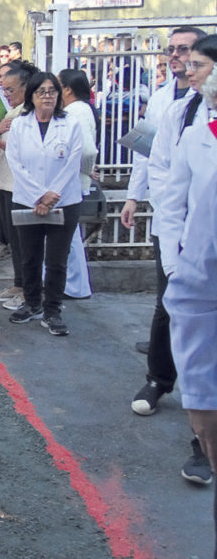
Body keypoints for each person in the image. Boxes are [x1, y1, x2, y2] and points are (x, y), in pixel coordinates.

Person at [120, 27, 204, 413]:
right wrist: (134, 196)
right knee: (167, 303)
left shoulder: (202, 106)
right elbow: (151, 158)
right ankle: (158, 379)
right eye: (171, 50)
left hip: (206, 223)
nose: (176, 57)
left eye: (185, 51)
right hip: (173, 221)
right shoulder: (165, 103)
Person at [155, 34, 217, 486]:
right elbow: (173, 197)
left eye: (199, 63)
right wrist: (176, 261)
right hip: (199, 267)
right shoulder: (193, 129)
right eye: (187, 61)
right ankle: (201, 444)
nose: (189, 70)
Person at [5, 71, 83, 336]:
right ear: (32, 96)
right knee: (30, 257)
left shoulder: (71, 124)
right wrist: (39, 195)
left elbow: (73, 162)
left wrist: (52, 195)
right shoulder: (20, 124)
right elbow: (15, 162)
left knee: (57, 260)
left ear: (59, 95)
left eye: (52, 91)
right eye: (42, 91)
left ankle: (52, 311)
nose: (47, 96)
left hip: (65, 200)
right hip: (28, 199)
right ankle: (32, 303)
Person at [0, 60, 38, 310]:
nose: (6, 95)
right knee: (13, 241)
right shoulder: (14, 110)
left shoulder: (32, 112)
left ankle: (29, 291)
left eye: (11, 89)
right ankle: (18, 284)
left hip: (21, 185)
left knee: (24, 242)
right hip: (5, 180)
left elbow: (29, 150)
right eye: (3, 89)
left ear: (27, 87)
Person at [57, 68, 99, 300]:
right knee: (68, 237)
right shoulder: (78, 109)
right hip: (71, 181)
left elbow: (87, 150)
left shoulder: (76, 111)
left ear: (68, 89)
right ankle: (71, 285)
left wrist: (84, 171)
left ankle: (75, 286)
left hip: (71, 182)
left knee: (69, 238)